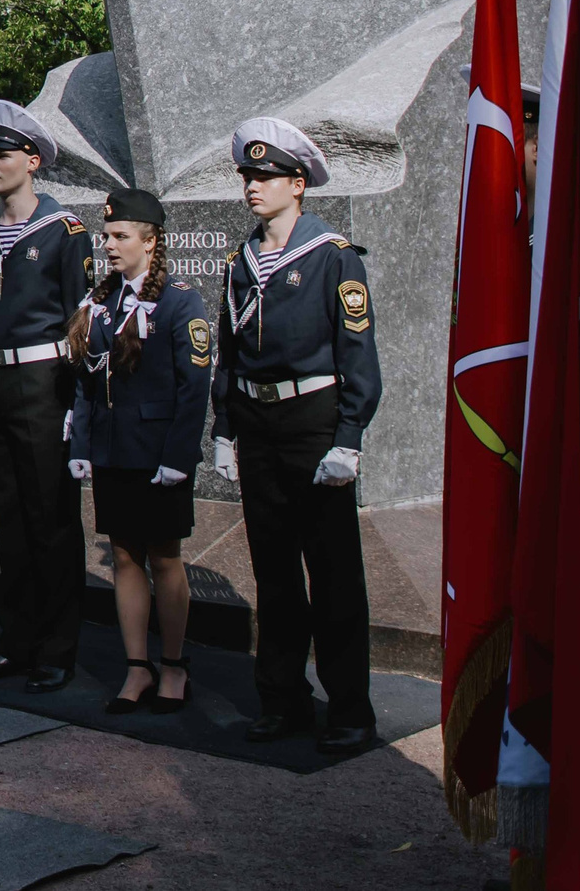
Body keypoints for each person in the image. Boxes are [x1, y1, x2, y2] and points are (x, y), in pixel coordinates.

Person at [213, 116, 382, 752]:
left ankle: (350, 709)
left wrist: (349, 438)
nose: (253, 186)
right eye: (248, 176)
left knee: (335, 574)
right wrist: (225, 426)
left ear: (298, 183)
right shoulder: (241, 260)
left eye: (265, 176)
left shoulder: (333, 257)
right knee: (275, 572)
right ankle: (283, 699)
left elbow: (358, 355)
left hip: (314, 423)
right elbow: (230, 353)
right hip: (258, 423)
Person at [0, 101, 92, 693]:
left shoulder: (65, 235)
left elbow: (81, 325)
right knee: (9, 518)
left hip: (44, 385)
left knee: (50, 520)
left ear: (32, 161)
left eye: (3, 154)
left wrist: (77, 409)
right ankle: (16, 642)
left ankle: (57, 650)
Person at [67, 189, 210, 713]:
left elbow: (194, 387)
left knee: (165, 558)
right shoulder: (100, 302)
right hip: (111, 449)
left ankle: (172, 665)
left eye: (120, 237)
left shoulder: (179, 299)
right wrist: (82, 443)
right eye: (107, 235)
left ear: (151, 243)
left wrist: (179, 457)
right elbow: (85, 380)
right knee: (125, 557)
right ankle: (136, 668)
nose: (108, 245)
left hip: (157, 455)